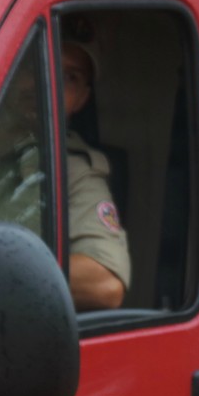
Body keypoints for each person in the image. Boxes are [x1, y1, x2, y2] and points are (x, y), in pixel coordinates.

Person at [61, 39, 132, 311]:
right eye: (35, 59)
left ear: (81, 99)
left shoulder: (73, 169)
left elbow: (105, 282)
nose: (48, 81)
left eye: (70, 77)